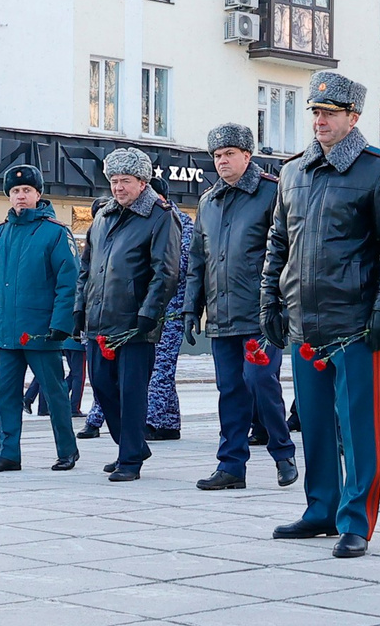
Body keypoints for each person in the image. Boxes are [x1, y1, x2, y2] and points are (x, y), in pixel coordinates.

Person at [263, 71, 380, 556]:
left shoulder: (378, 170)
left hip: (355, 322)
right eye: (315, 112)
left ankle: (356, 520)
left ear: (354, 117)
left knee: (359, 426)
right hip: (305, 320)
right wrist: (271, 301)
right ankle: (320, 508)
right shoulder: (292, 172)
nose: (320, 121)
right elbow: (278, 242)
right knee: (317, 423)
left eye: (330, 113)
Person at [186, 123, 298, 491]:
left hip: (261, 315)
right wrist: (192, 308)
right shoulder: (208, 202)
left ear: (247, 156)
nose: (222, 162)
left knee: (260, 381)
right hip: (221, 315)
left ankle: (283, 452)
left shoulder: (270, 192)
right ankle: (231, 465)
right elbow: (198, 261)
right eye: (217, 156)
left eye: (229, 154)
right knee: (230, 389)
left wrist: (281, 303)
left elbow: (286, 251)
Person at [78, 146, 182, 482]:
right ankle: (131, 444)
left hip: (135, 323)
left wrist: (149, 313)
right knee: (103, 387)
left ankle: (130, 459)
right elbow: (87, 268)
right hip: (99, 319)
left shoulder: (159, 216)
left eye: (125, 181)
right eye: (114, 181)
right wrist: (79, 308)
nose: (118, 188)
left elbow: (165, 270)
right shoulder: (103, 217)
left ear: (142, 182)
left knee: (131, 391)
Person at [0, 164, 78, 473]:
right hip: (5, 331)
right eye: (16, 191)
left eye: (27, 191)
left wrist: (61, 324)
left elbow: (67, 281)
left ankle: (67, 450)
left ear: (38, 194)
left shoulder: (54, 233)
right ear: (9, 196)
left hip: (40, 332)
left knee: (54, 392)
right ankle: (8, 453)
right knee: (6, 395)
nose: (21, 196)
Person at [146, 214, 196, 442]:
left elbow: (182, 265)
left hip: (173, 309)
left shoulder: (180, 224)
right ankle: (169, 422)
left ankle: (150, 421)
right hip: (151, 307)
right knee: (159, 366)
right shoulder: (149, 221)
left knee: (161, 367)